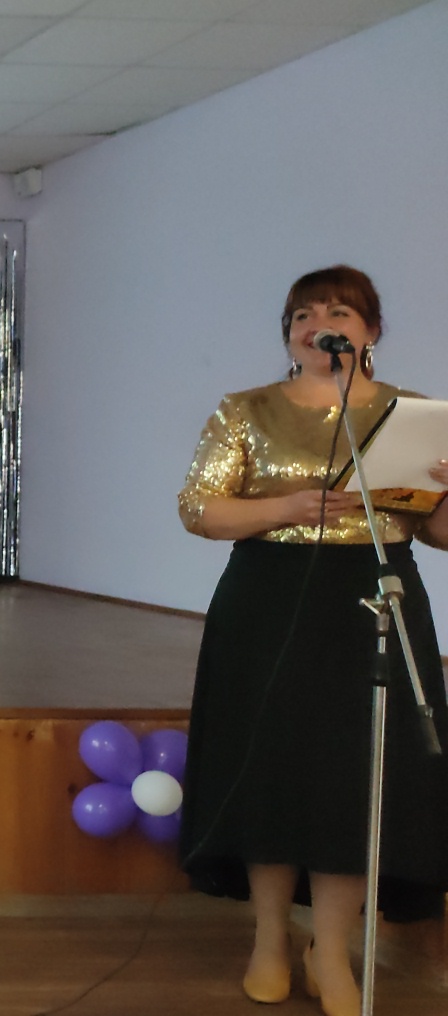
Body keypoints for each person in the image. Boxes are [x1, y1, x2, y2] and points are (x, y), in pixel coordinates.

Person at [177, 265, 448, 1016]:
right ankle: (269, 938)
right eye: (302, 314)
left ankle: (330, 948)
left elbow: (439, 532)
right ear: (289, 332)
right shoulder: (246, 410)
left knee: (356, 779)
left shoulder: (415, 415)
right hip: (266, 599)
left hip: (374, 599)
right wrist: (287, 507)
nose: (318, 325)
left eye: (338, 313)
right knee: (272, 768)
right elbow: (199, 508)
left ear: (371, 331)